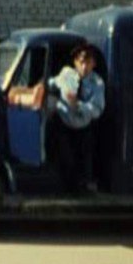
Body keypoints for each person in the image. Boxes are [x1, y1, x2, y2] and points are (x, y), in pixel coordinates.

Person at [48, 43, 106, 193]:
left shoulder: (97, 83)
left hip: (83, 126)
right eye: (81, 62)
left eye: (88, 63)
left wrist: (78, 105)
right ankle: (63, 187)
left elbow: (97, 109)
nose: (84, 67)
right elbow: (51, 83)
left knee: (83, 159)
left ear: (93, 64)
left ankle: (80, 188)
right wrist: (44, 87)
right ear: (75, 62)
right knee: (65, 157)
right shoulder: (66, 74)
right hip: (63, 123)